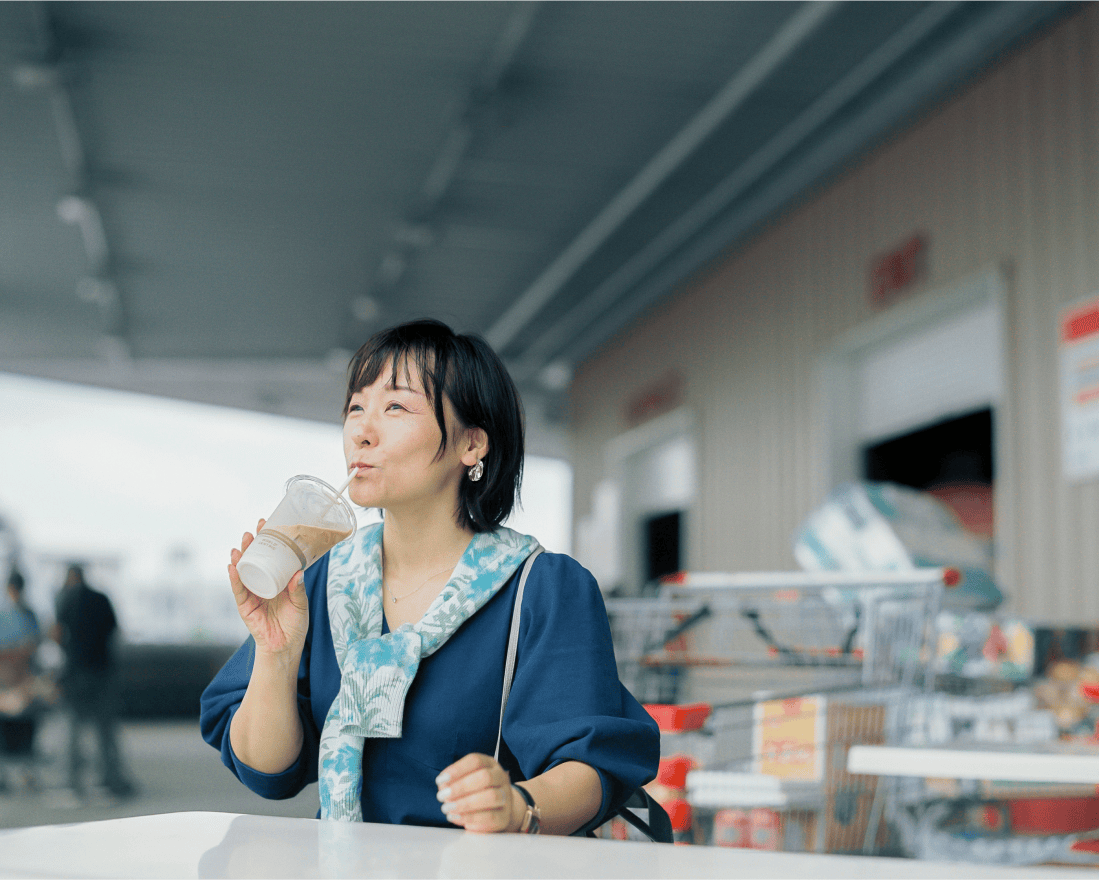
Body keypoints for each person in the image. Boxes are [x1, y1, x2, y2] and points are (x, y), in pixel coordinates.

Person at [201, 319, 659, 834]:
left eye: (396, 406)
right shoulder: (319, 581)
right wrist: (276, 654)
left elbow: (595, 766)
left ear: (472, 445)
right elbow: (267, 774)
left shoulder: (541, 588)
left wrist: (518, 805)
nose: (362, 430)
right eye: (356, 407)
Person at [52, 563, 135, 799]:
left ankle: (71, 784)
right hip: (102, 671)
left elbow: (57, 634)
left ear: (69, 578)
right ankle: (108, 782)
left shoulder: (63, 599)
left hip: (75, 673)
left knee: (71, 730)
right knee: (105, 730)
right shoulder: (101, 599)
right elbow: (113, 633)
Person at [0, 568, 43, 790]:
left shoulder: (29, 615)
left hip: (24, 679)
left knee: (27, 728)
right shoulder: (5, 615)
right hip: (6, 678)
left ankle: (27, 772)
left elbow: (34, 647)